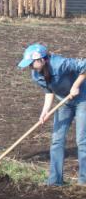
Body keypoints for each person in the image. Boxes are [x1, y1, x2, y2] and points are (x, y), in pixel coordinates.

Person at [18, 43, 86, 186]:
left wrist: (75, 85)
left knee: (82, 140)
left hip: (82, 99)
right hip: (65, 102)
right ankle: (55, 180)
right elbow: (49, 91)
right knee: (57, 139)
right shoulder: (36, 74)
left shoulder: (60, 64)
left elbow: (84, 66)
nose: (30, 67)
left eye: (32, 63)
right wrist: (45, 112)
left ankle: (83, 181)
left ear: (42, 59)